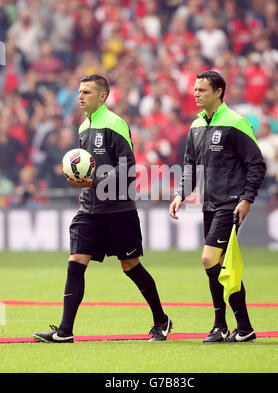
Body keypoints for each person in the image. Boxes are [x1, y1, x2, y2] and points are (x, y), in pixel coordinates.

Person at [33, 74, 172, 343]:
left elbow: (127, 168)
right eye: (79, 92)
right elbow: (88, 166)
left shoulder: (115, 124)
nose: (80, 96)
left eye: (86, 92)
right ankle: (64, 331)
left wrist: (93, 180)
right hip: (89, 209)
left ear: (102, 96)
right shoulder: (84, 127)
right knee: (76, 263)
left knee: (130, 266)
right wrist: (78, 179)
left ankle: (161, 319)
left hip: (119, 209)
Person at [169, 70, 266, 343]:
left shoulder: (236, 123)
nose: (196, 94)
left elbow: (256, 164)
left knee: (208, 259)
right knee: (223, 266)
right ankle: (243, 327)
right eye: (195, 89)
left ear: (218, 91)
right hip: (209, 205)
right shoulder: (196, 125)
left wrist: (247, 199)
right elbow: (189, 166)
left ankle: (220, 325)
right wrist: (180, 194)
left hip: (231, 203)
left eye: (201, 90)